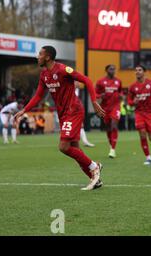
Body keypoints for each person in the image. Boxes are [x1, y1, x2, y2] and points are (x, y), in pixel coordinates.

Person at [14, 45, 105, 191]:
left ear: (48, 57)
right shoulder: (44, 75)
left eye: (40, 54)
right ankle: (95, 179)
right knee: (75, 149)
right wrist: (24, 109)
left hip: (73, 111)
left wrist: (94, 102)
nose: (37, 57)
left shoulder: (63, 69)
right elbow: (38, 95)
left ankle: (95, 166)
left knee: (63, 147)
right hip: (63, 114)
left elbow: (86, 80)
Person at [128, 65, 151, 165]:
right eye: (136, 70)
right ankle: (148, 157)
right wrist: (133, 102)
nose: (137, 72)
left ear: (144, 72)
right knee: (142, 133)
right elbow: (129, 102)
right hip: (139, 113)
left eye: (140, 70)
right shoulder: (132, 87)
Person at [95, 65, 122, 158]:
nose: (113, 70)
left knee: (114, 124)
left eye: (114, 69)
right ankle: (111, 145)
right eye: (111, 69)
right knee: (108, 127)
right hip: (105, 107)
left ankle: (113, 150)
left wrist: (121, 96)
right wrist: (100, 96)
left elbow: (121, 92)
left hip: (116, 106)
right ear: (106, 70)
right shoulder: (100, 82)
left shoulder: (118, 81)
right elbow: (95, 94)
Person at [74, 81, 95, 147]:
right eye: (77, 82)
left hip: (76, 110)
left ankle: (85, 141)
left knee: (80, 125)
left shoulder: (77, 90)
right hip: (71, 110)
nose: (79, 83)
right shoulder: (70, 90)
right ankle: (68, 142)